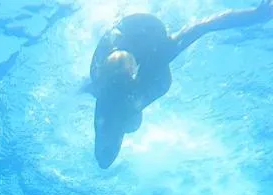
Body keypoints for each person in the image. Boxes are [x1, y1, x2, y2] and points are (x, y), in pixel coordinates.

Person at [88, 1, 273, 169]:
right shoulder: (145, 65)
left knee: (116, 129)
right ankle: (123, 126)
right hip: (145, 78)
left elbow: (205, 26)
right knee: (115, 131)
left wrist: (256, 14)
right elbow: (205, 26)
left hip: (145, 62)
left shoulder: (108, 80)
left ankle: (123, 126)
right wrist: (255, 15)